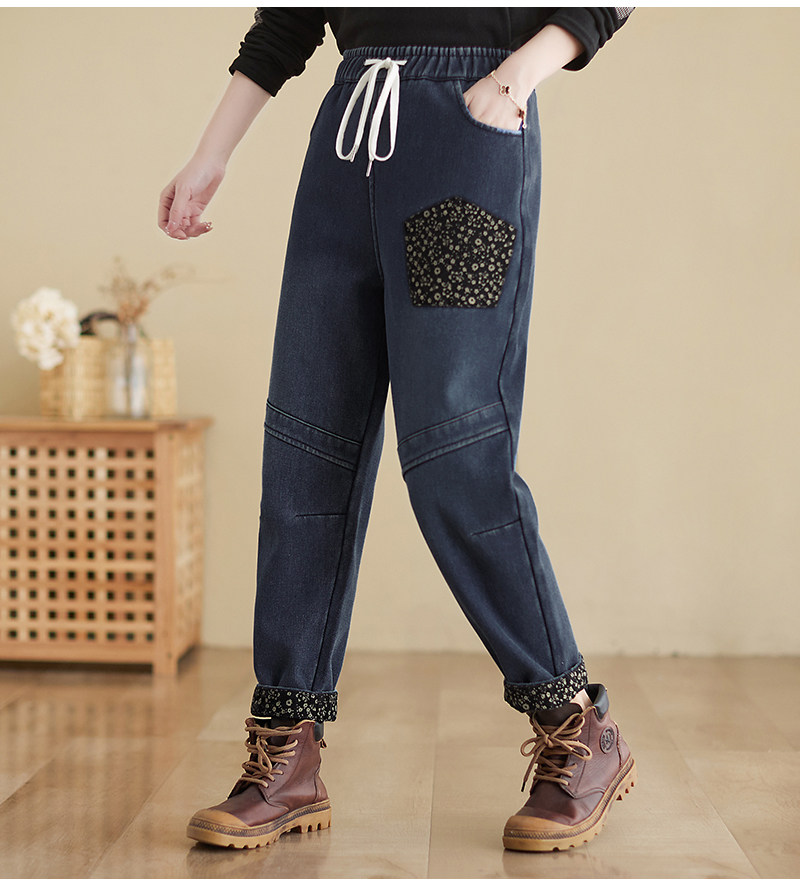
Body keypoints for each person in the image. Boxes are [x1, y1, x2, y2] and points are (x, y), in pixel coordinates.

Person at [159, 8, 635, 853]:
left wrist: (518, 76)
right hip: (346, 142)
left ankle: (577, 725)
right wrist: (211, 152)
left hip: (468, 134)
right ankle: (287, 752)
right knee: (306, 445)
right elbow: (287, 24)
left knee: (457, 451)